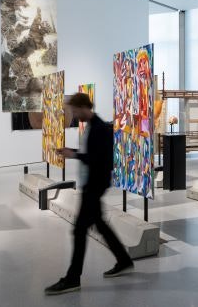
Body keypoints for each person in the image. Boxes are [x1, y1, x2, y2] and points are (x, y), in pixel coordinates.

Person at [45, 93, 133, 296]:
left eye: (75, 111)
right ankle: (124, 260)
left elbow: (97, 159)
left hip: (94, 186)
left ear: (85, 107)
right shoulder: (92, 128)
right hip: (90, 185)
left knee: (78, 231)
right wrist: (72, 150)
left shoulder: (100, 129)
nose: (74, 115)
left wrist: (73, 154)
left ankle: (72, 278)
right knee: (100, 225)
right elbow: (91, 153)